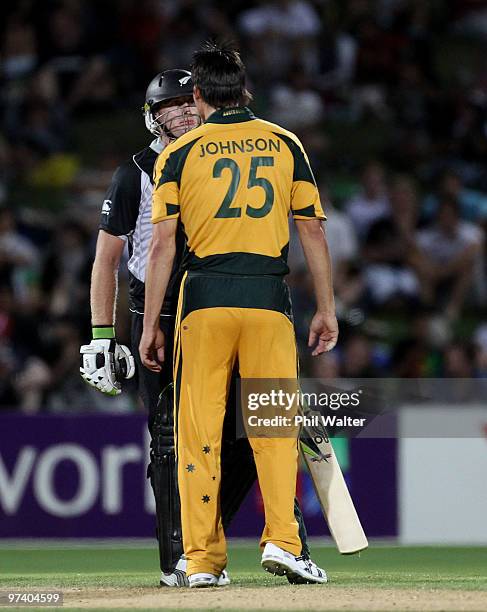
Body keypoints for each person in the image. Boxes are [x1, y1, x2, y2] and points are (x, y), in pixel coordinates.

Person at [80, 69, 319, 587]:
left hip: (213, 299)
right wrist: (103, 335)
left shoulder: (215, 155)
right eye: (170, 109)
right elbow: (107, 261)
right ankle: (180, 560)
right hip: (162, 307)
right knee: (172, 439)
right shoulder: (137, 172)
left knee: (251, 428)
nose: (183, 115)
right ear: (152, 117)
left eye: (189, 105)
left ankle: (224, 546)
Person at [140, 42, 338, 587]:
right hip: (268, 301)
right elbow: (312, 230)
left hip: (202, 302)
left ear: (198, 94)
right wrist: (326, 307)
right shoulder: (285, 142)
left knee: (198, 430)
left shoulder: (175, 155)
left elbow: (161, 248)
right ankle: (284, 542)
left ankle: (201, 561)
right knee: (273, 429)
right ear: (244, 90)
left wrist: (152, 321)